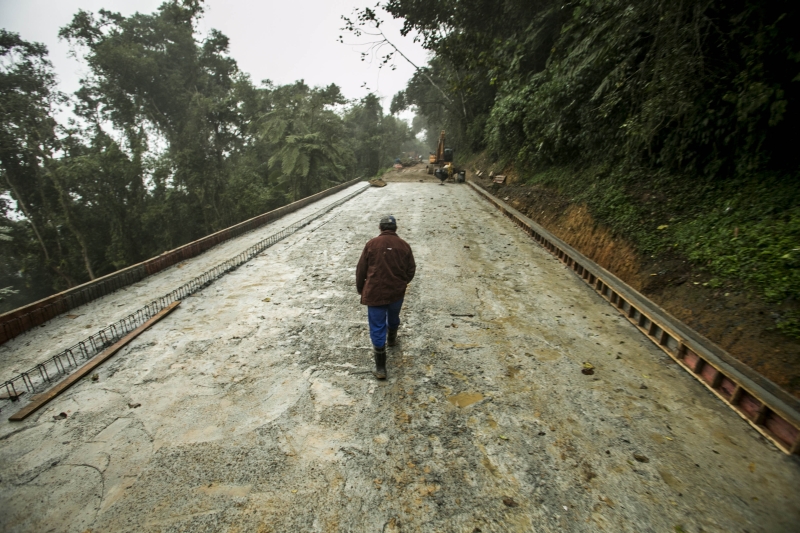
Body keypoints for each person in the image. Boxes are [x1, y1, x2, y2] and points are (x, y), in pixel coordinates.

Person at [355, 215, 416, 379]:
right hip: (396, 293)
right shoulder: (404, 245)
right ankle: (392, 339)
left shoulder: (371, 244)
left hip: (375, 293)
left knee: (377, 326)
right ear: (395, 228)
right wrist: (402, 283)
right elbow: (411, 269)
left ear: (380, 228)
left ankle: (381, 368)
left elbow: (361, 269)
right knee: (394, 317)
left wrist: (361, 289)